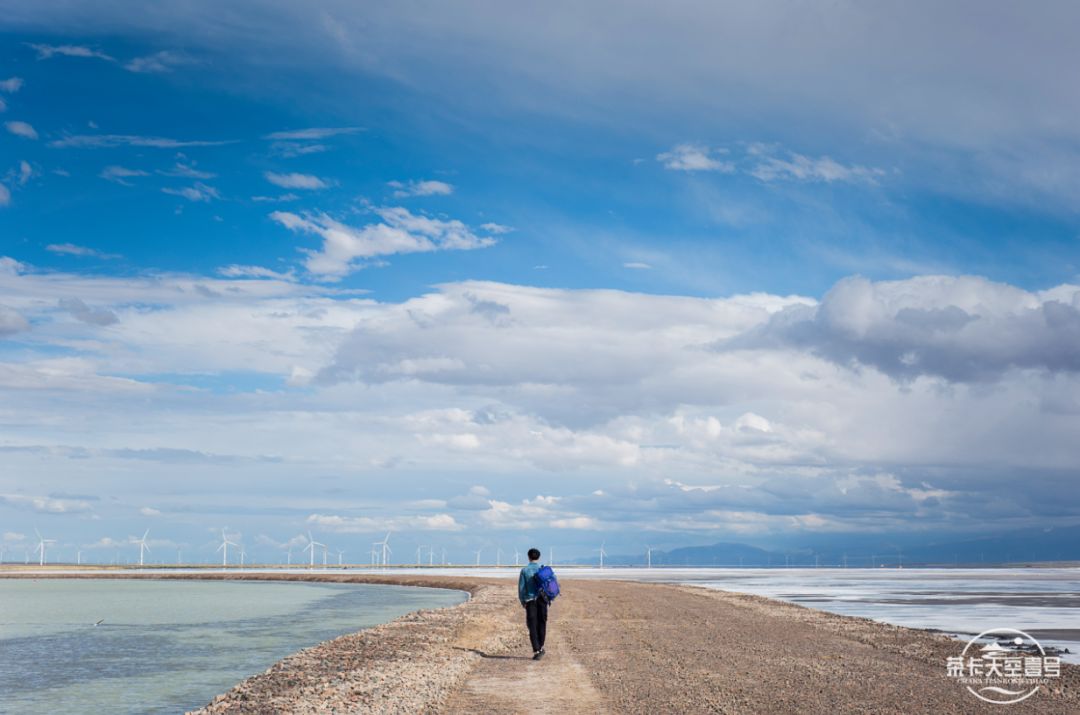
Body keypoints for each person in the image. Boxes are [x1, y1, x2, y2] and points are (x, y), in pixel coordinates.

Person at [518, 547, 547, 660]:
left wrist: (522, 601)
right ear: (539, 557)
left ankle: (537, 649)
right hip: (543, 600)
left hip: (530, 601)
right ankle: (541, 646)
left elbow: (521, 588)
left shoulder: (525, 571)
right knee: (542, 623)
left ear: (528, 557)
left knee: (532, 625)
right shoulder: (543, 569)